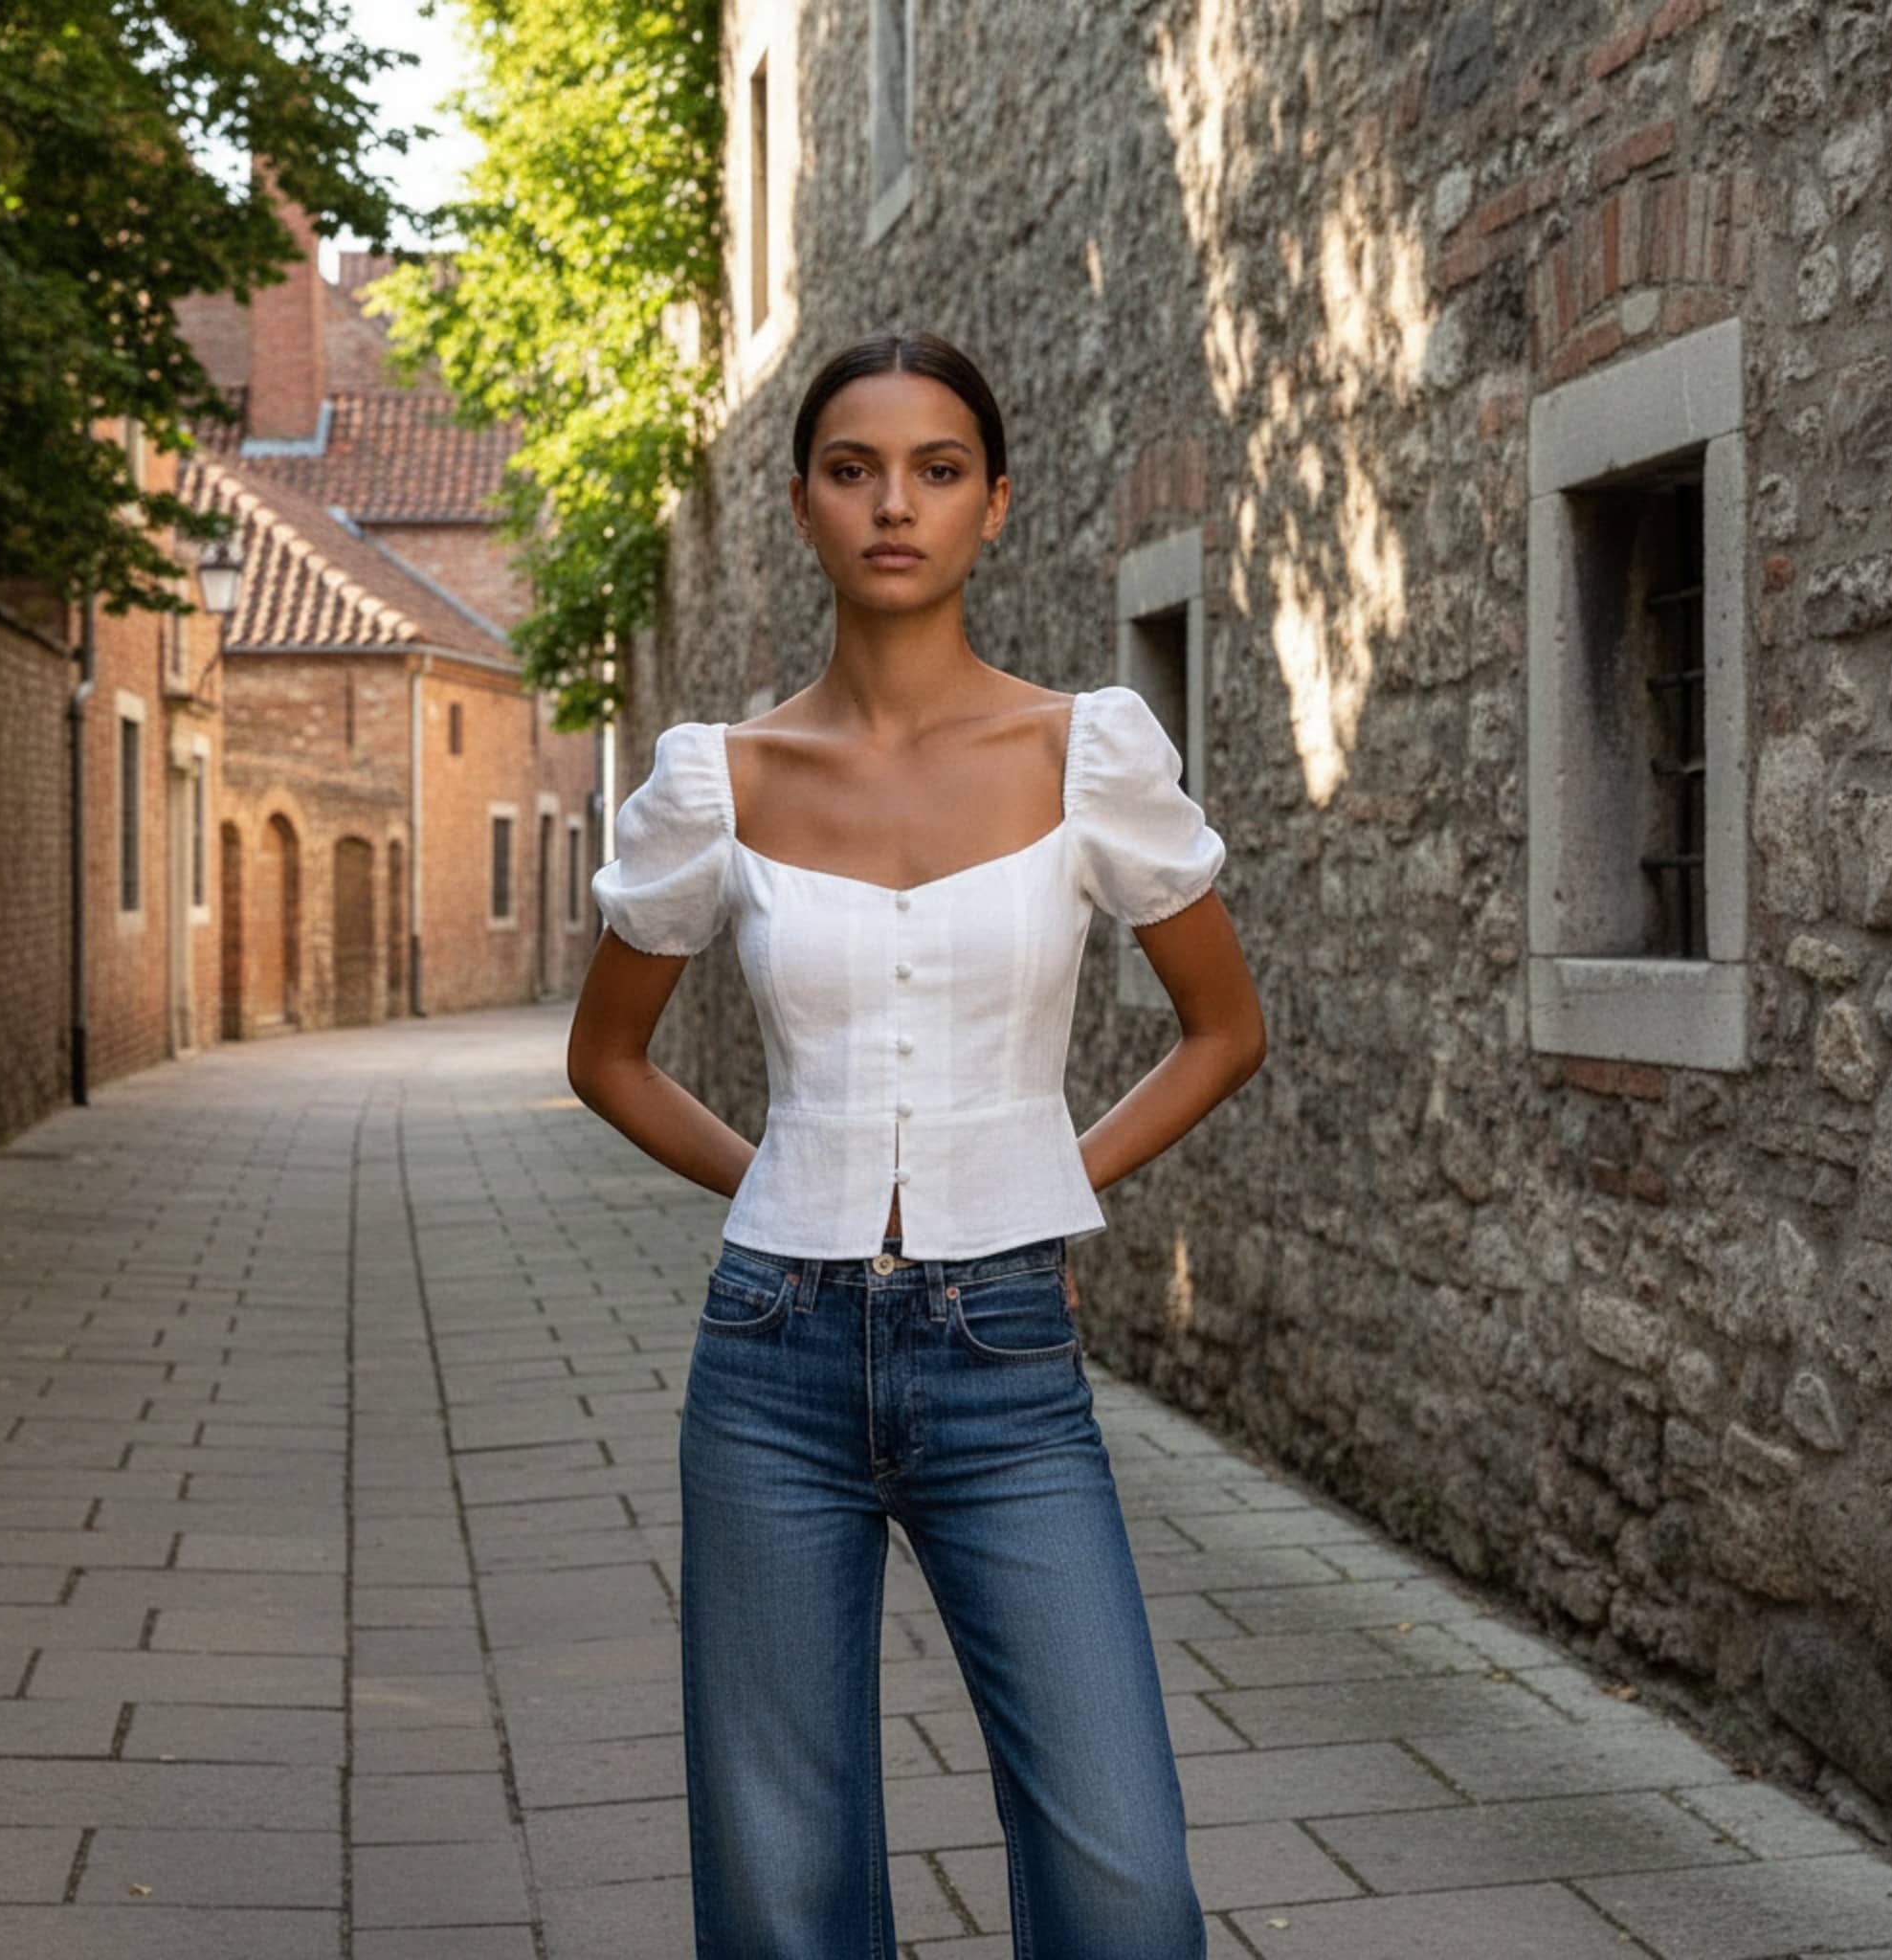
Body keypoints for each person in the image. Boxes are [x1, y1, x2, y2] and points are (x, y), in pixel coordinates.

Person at [567, 328, 1267, 1960]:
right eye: (853, 470)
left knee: (1125, 1884)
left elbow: (1224, 1030)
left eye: (937, 471)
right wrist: (781, 1187)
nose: (896, 504)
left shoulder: (1085, 752)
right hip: (769, 1361)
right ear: (802, 505)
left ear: (994, 504)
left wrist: (1042, 1189)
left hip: (1006, 1356)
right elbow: (605, 1061)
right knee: (782, 1893)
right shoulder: (717, 781)